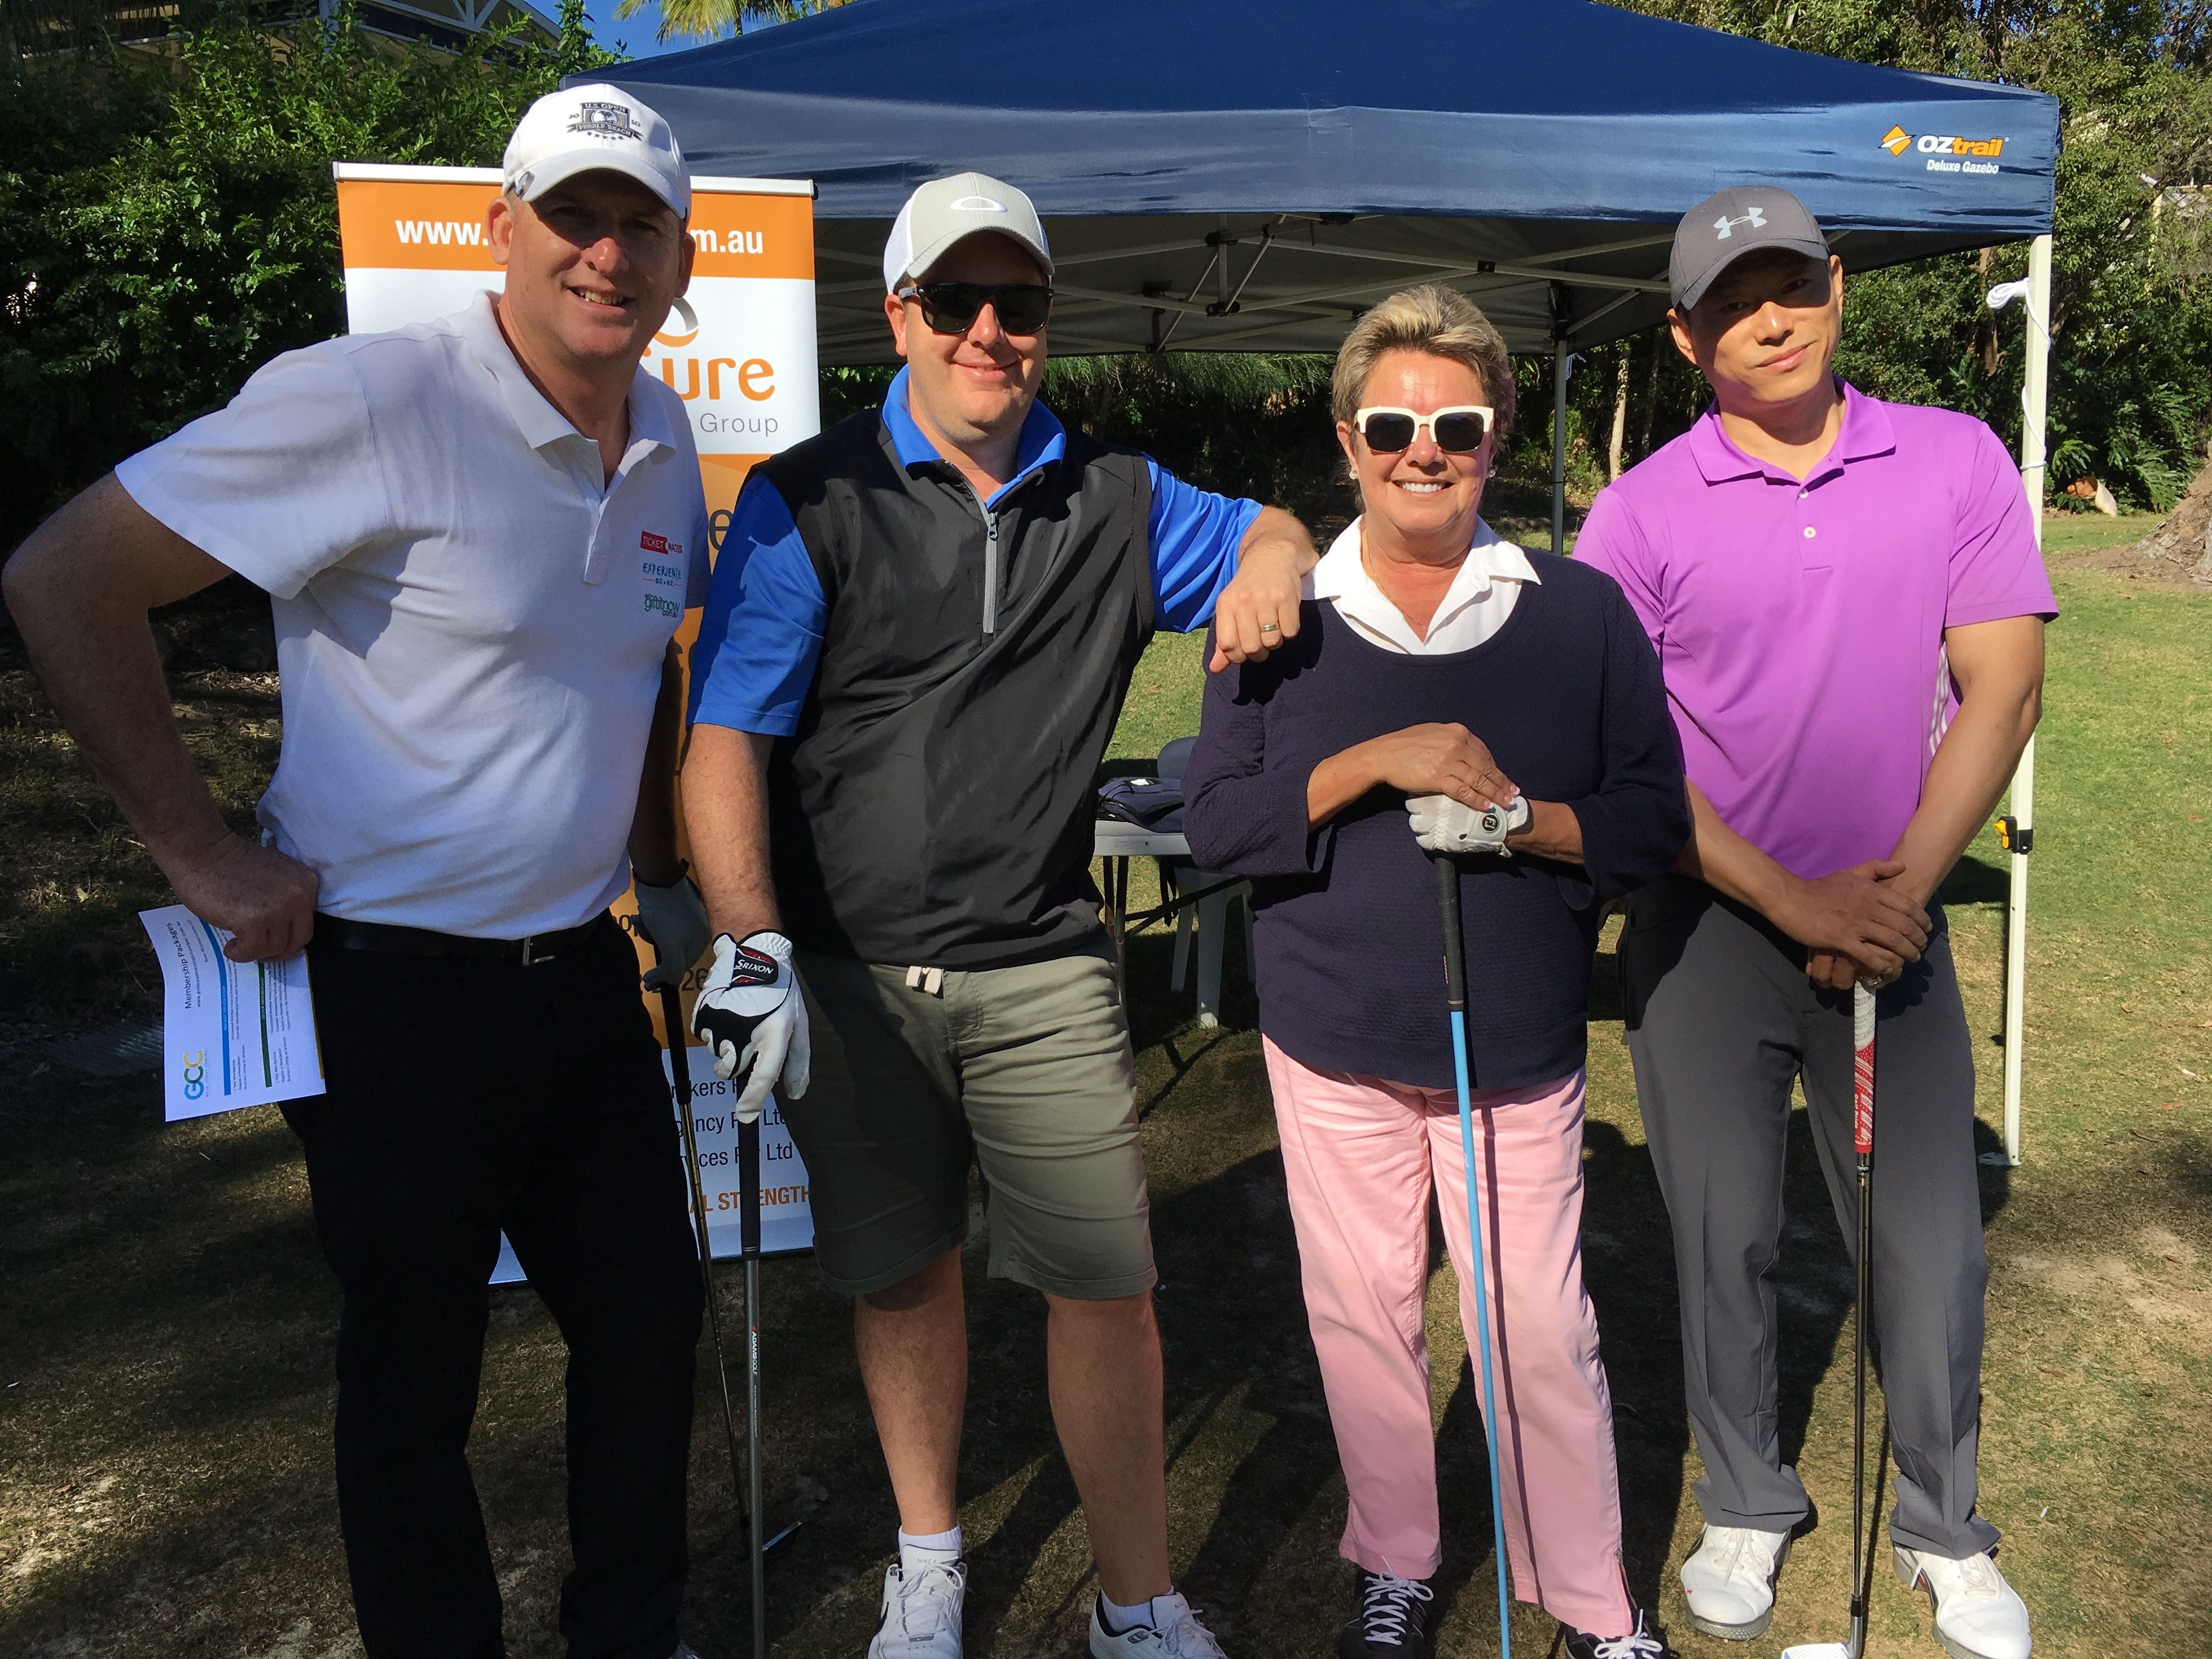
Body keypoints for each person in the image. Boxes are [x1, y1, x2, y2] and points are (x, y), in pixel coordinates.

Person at [4, 86, 721, 1659]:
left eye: (640, 225)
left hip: (581, 975)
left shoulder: (668, 436)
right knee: (413, 1383)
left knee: (651, 1320)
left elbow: (635, 672)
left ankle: (629, 1631)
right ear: (500, 229)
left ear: (682, 260)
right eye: (573, 217)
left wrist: (664, 872)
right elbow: (65, 576)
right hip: (392, 994)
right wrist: (196, 849)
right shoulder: (376, 397)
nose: (607, 254)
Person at [679, 172, 1315, 1659]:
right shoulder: (806, 497)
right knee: (905, 1280)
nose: (988, 330)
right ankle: (929, 1563)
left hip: (1042, 963)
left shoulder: (1118, 495)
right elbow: (726, 743)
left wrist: (1275, 557)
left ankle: (1136, 1603)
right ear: (898, 315)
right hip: (848, 971)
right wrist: (750, 942)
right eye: (955, 300)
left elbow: (1276, 528)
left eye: (1016, 302)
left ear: (1046, 319)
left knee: (1107, 1287)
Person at [1575, 187, 2052, 1659]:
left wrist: (1892, 898)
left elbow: (2005, 686)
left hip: (1893, 917)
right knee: (1721, 1233)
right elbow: (1627, 757)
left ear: (1838, 285)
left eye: (1788, 285)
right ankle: (1746, 1499)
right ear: (1684, 336)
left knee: (1927, 1244)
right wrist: (1797, 902)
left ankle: (1944, 1527)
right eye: (1730, 302)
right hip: (1707, 927)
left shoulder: (1955, 457)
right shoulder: (1637, 510)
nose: (1767, 320)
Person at [1182, 284, 1690, 1659]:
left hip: (1512, 1043)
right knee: (1365, 1321)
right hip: (1332, 1038)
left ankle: (1589, 1600)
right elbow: (1216, 825)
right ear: (1347, 439)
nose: (1425, 451)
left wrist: (1526, 821)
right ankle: (1397, 1560)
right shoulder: (1276, 616)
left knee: (1536, 1327)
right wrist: (1371, 764)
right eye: (1393, 425)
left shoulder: (1580, 614)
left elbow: (1652, 820)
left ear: (1498, 434)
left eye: (1456, 425)